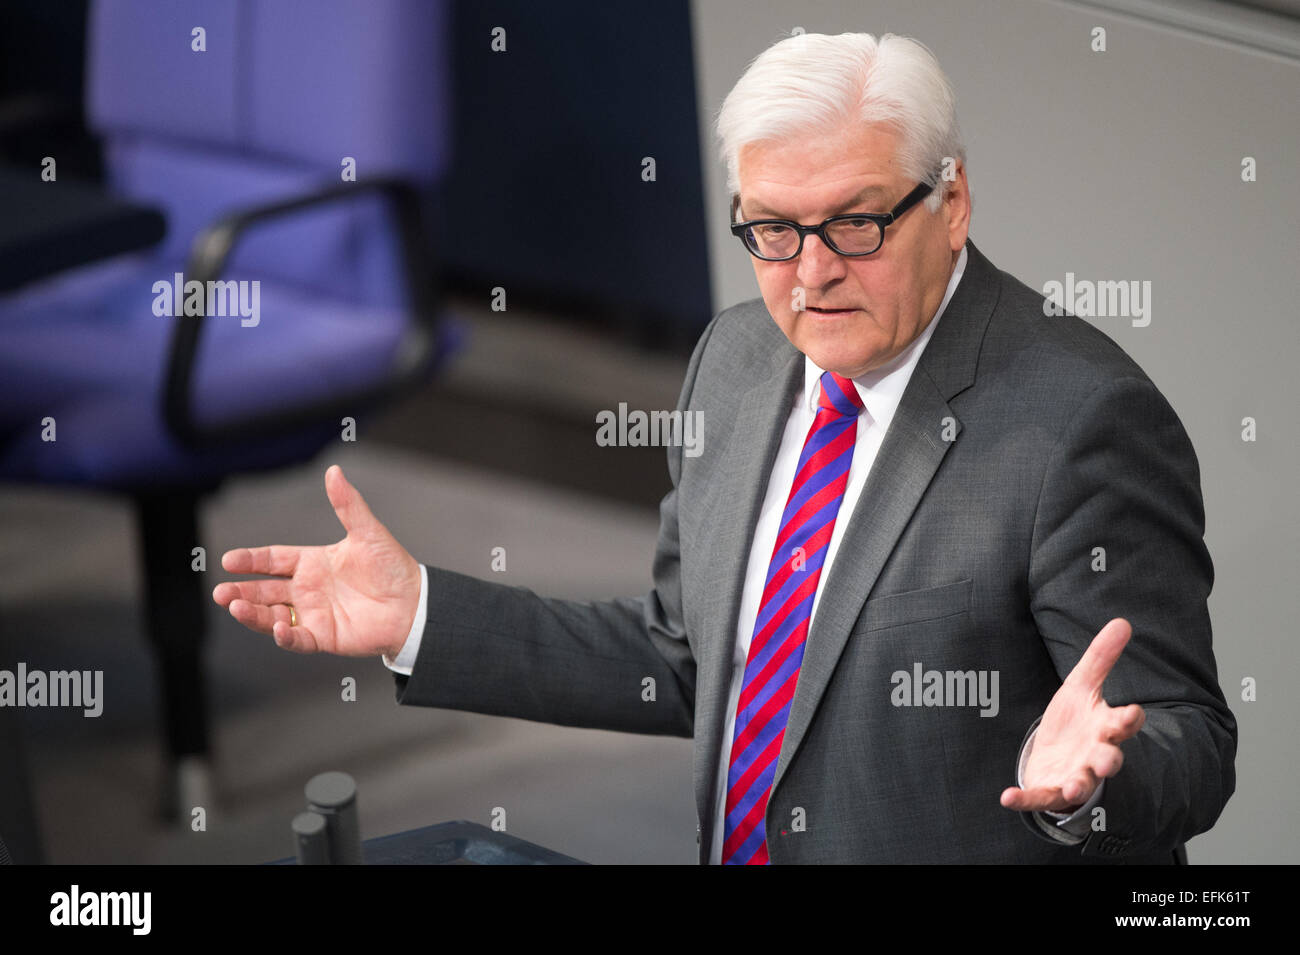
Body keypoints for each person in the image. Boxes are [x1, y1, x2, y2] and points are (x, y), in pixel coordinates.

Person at [213, 32, 1236, 864]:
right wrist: (425, 617)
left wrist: (1091, 785)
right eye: (772, 230)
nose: (811, 275)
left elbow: (1190, 740)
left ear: (952, 202)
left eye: (856, 224)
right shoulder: (738, 360)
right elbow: (686, 658)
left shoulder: (1081, 423)